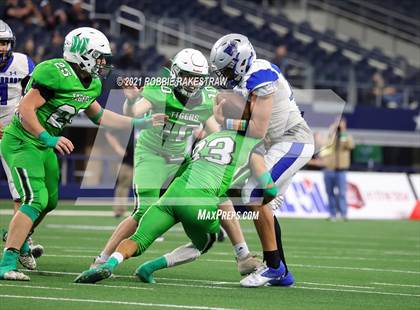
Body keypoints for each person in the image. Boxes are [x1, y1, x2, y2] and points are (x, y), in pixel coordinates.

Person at [0, 27, 166, 281]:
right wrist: (47, 137)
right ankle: (7, 262)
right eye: (98, 57)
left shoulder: (92, 83)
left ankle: (18, 237)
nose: (102, 64)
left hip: (43, 146)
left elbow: (100, 116)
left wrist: (139, 123)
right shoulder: (54, 71)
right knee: (34, 199)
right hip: (23, 142)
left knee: (50, 201)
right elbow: (25, 109)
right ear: (81, 54)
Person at [90, 50, 262, 276]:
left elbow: (215, 131)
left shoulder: (208, 97)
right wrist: (131, 99)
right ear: (175, 73)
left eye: (197, 78)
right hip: (152, 155)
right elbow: (134, 113)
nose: (192, 82)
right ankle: (101, 259)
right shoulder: (159, 89)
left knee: (220, 196)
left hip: (181, 158)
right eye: (188, 76)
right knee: (143, 211)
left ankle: (243, 256)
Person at [210, 33, 314, 287]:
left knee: (254, 195)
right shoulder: (250, 76)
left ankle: (274, 267)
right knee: (264, 204)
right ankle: (281, 271)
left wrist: (225, 120)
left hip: (293, 140)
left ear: (240, 61)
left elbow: (257, 129)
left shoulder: (261, 77)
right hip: (277, 144)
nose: (224, 75)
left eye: (226, 69)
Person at [0, 19, 44, 271]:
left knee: (22, 193)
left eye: (5, 43)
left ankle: (21, 244)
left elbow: (34, 97)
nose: (2, 49)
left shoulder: (23, 63)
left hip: (13, 135)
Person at [322, 118, 354, 220]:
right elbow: (324, 144)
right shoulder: (331, 136)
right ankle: (333, 214)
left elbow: (350, 146)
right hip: (329, 168)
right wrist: (332, 130)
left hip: (341, 170)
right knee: (330, 193)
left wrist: (343, 133)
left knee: (342, 193)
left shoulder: (346, 136)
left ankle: (343, 213)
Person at [104, 129, 135, 218]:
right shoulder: (127, 124)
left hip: (141, 160)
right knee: (123, 186)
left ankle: (145, 209)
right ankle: (119, 210)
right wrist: (118, 148)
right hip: (127, 162)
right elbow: (109, 133)